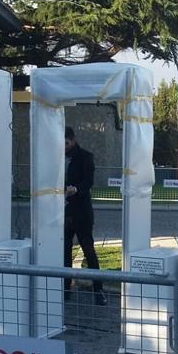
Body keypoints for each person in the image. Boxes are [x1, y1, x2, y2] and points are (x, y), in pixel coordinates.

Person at [64, 126, 106, 305]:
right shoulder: (57, 156)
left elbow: (89, 181)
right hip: (64, 212)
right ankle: (66, 289)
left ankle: (99, 290)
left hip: (81, 212)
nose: (64, 147)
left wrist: (76, 189)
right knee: (64, 252)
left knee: (89, 251)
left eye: (66, 143)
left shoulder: (85, 156)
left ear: (73, 140)